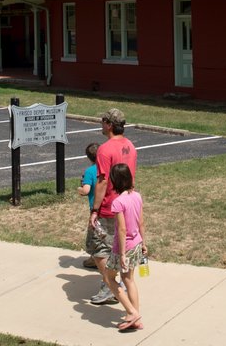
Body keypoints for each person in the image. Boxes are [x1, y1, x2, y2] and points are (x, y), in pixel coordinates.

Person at [89, 107, 138, 306]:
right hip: (128, 203)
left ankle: (110, 285)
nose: (101, 124)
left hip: (109, 206)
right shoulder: (131, 146)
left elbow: (102, 182)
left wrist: (95, 209)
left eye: (103, 121)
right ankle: (116, 282)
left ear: (109, 125)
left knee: (99, 247)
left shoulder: (105, 149)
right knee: (118, 245)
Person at [108, 162, 146, 331]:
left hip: (123, 247)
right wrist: (144, 243)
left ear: (115, 181)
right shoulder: (137, 196)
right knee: (129, 279)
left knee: (109, 278)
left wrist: (122, 254)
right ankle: (135, 317)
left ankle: (131, 312)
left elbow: (122, 229)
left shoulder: (118, 202)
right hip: (137, 242)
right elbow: (141, 222)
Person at [78, 143, 100, 269]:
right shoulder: (109, 166)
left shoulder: (90, 171)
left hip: (95, 207)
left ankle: (94, 258)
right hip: (109, 205)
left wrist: (79, 189)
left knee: (94, 233)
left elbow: (86, 190)